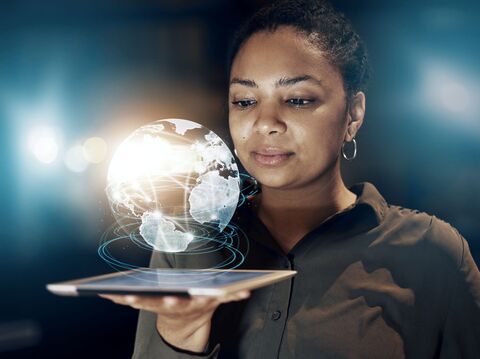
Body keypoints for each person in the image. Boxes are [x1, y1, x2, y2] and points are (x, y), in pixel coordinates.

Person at [102, 1, 480, 358]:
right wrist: (181, 334)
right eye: (245, 101)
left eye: (298, 99)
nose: (265, 122)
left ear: (354, 113)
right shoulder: (185, 245)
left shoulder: (432, 254)